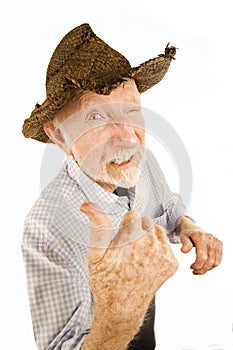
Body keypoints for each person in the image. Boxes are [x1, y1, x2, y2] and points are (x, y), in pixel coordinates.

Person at [22, 23, 222, 350]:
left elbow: (167, 207)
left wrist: (190, 227)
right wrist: (120, 309)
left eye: (131, 110)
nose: (128, 137)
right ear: (59, 134)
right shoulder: (46, 228)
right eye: (97, 117)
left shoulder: (143, 164)